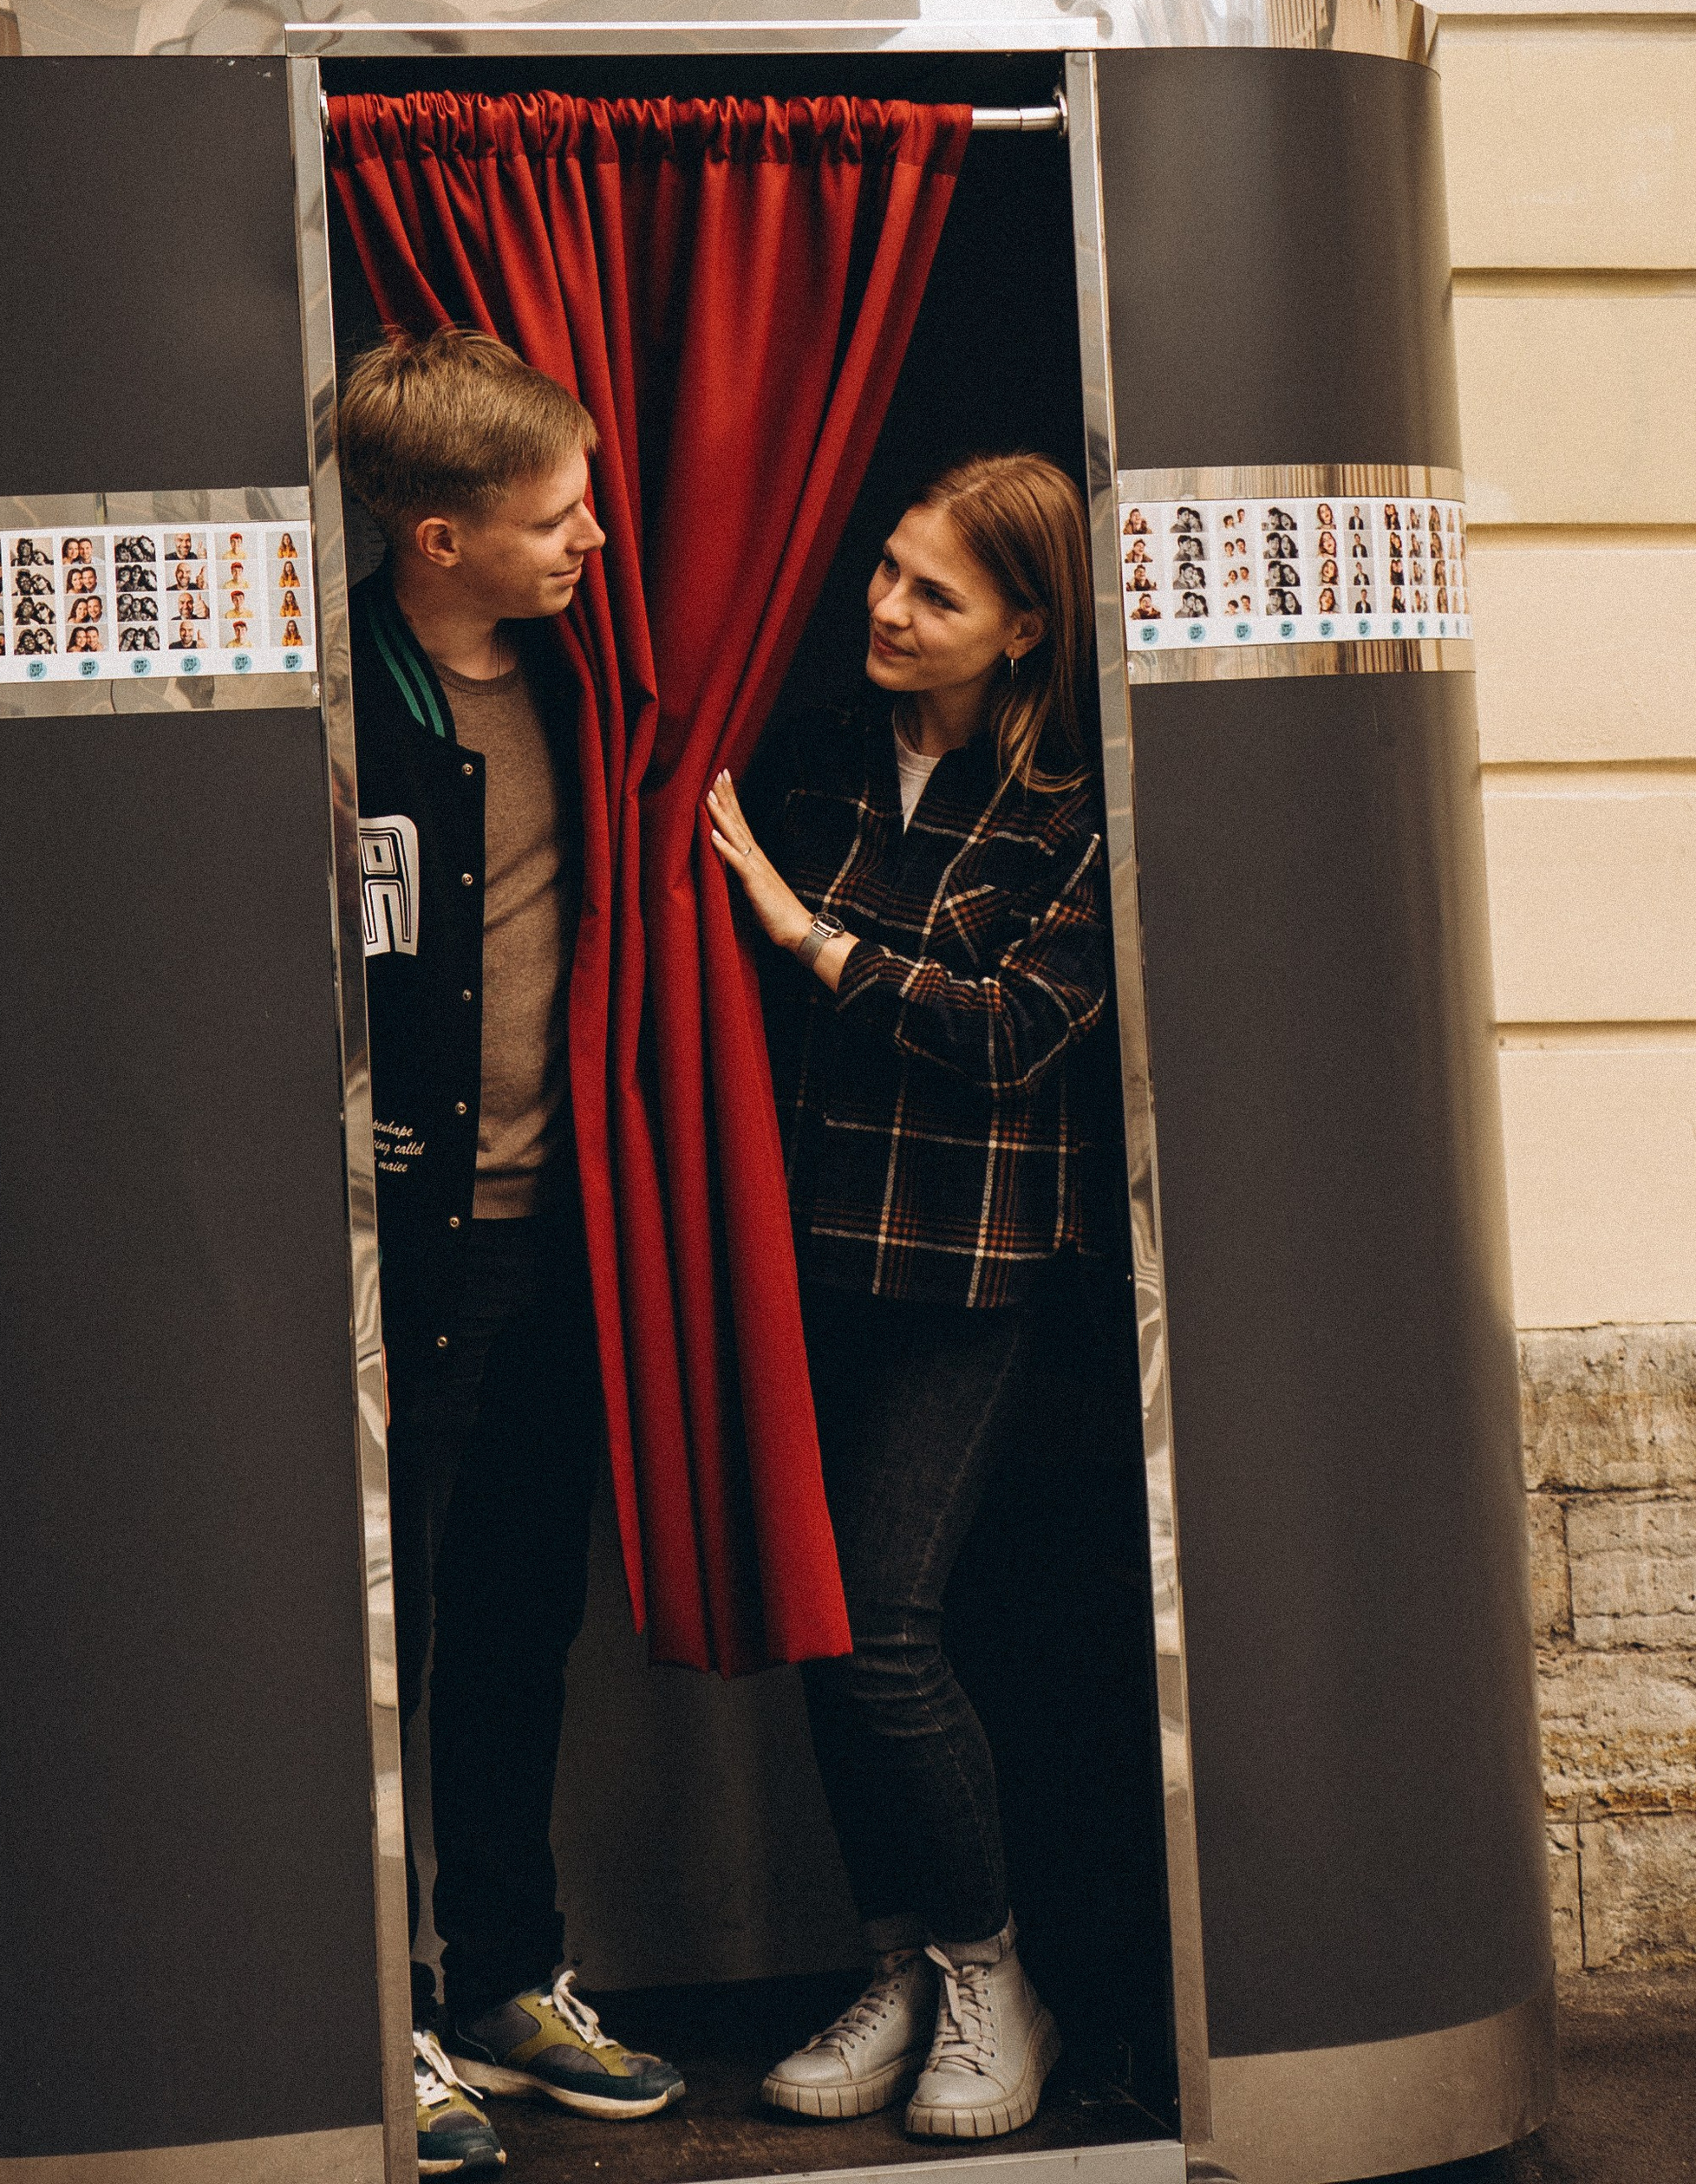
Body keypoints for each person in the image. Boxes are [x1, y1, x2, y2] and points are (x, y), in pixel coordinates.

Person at [706, 450, 1112, 2148]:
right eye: (881, 568)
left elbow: (1012, 1030)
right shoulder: (810, 760)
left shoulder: (1074, 809)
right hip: (804, 1249)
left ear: (1021, 628)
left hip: (968, 1269)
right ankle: (894, 1961)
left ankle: (984, 1969)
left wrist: (806, 939)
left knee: (882, 1627)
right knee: (818, 1622)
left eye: (932, 593)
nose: (882, 606)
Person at [338, 323, 685, 2179]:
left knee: (515, 1634)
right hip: (399, 1256)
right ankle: (369, 2004)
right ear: (435, 538)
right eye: (554, 520)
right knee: (374, 1641)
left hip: (559, 1248)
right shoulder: (343, 709)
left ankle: (505, 1977)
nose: (593, 548)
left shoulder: (596, 691)